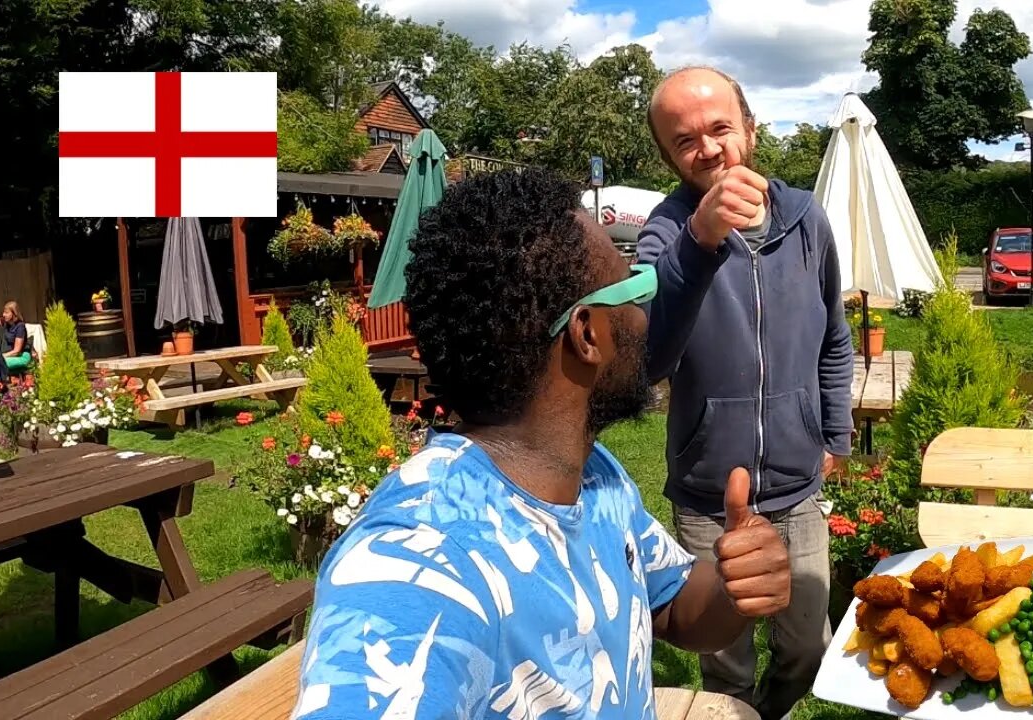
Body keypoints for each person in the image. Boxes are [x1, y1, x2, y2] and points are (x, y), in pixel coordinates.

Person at [294, 167, 792, 720]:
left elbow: (674, 606)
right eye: (635, 290)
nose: (644, 318)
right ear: (586, 335)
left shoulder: (592, 477)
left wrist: (733, 584)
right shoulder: (419, 564)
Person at [635, 66, 855, 719]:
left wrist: (834, 434)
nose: (707, 148)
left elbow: (834, 340)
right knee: (725, 661)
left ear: (749, 130)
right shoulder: (668, 232)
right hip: (708, 496)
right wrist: (699, 243)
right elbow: (645, 359)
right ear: (669, 157)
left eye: (719, 128)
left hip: (797, 489)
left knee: (809, 648)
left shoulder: (807, 221)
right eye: (684, 140)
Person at [0, 302, 31, 372]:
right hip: (10, 356)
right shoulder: (7, 322)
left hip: (22, 356)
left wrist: (1, 356)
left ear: (14, 313)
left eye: (6, 313)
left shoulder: (20, 326)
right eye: (4, 312)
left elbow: (17, 351)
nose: (3, 315)